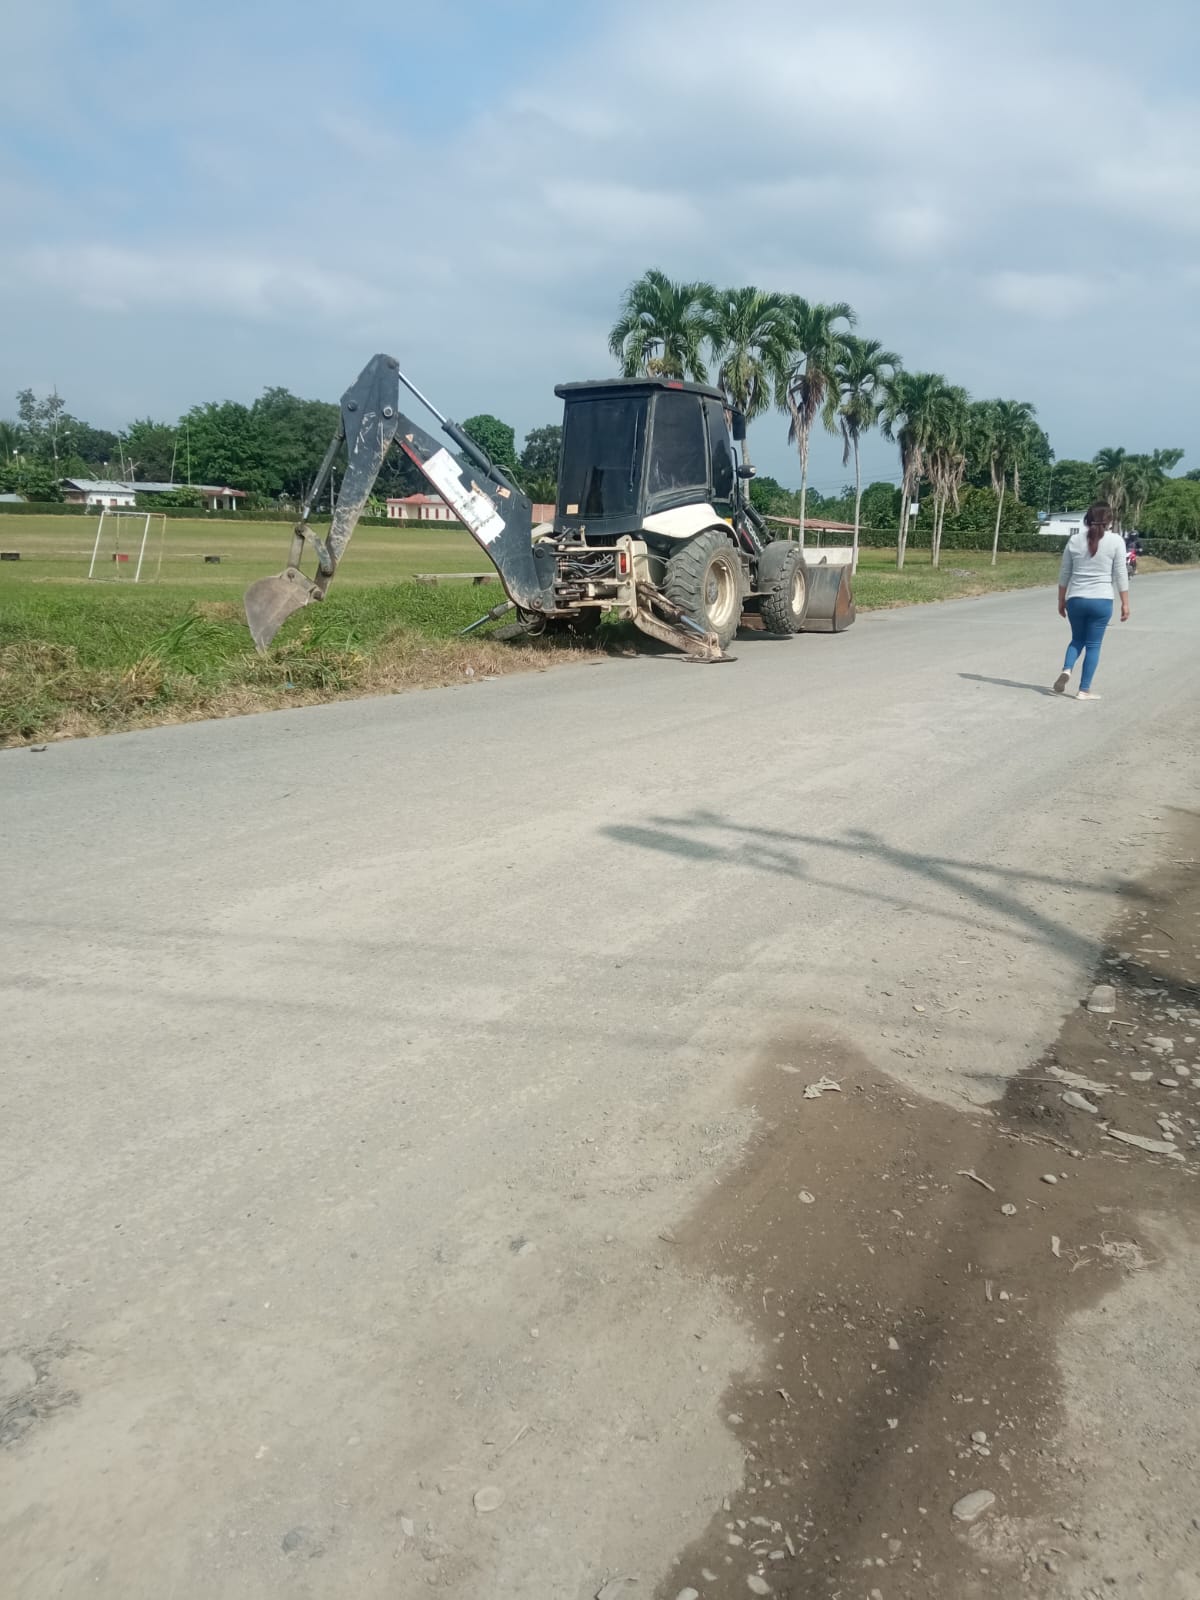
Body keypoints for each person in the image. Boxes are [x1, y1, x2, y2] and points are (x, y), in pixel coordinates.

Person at [1053, 503, 1129, 699]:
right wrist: (1125, 603)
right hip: (1101, 600)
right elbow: (1121, 574)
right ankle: (1083, 690)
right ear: (1109, 520)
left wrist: (1061, 600)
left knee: (1077, 639)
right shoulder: (1116, 541)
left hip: (1076, 599)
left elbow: (1065, 573)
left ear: (1087, 518)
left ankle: (1067, 669)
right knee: (1093, 645)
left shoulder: (1074, 540)